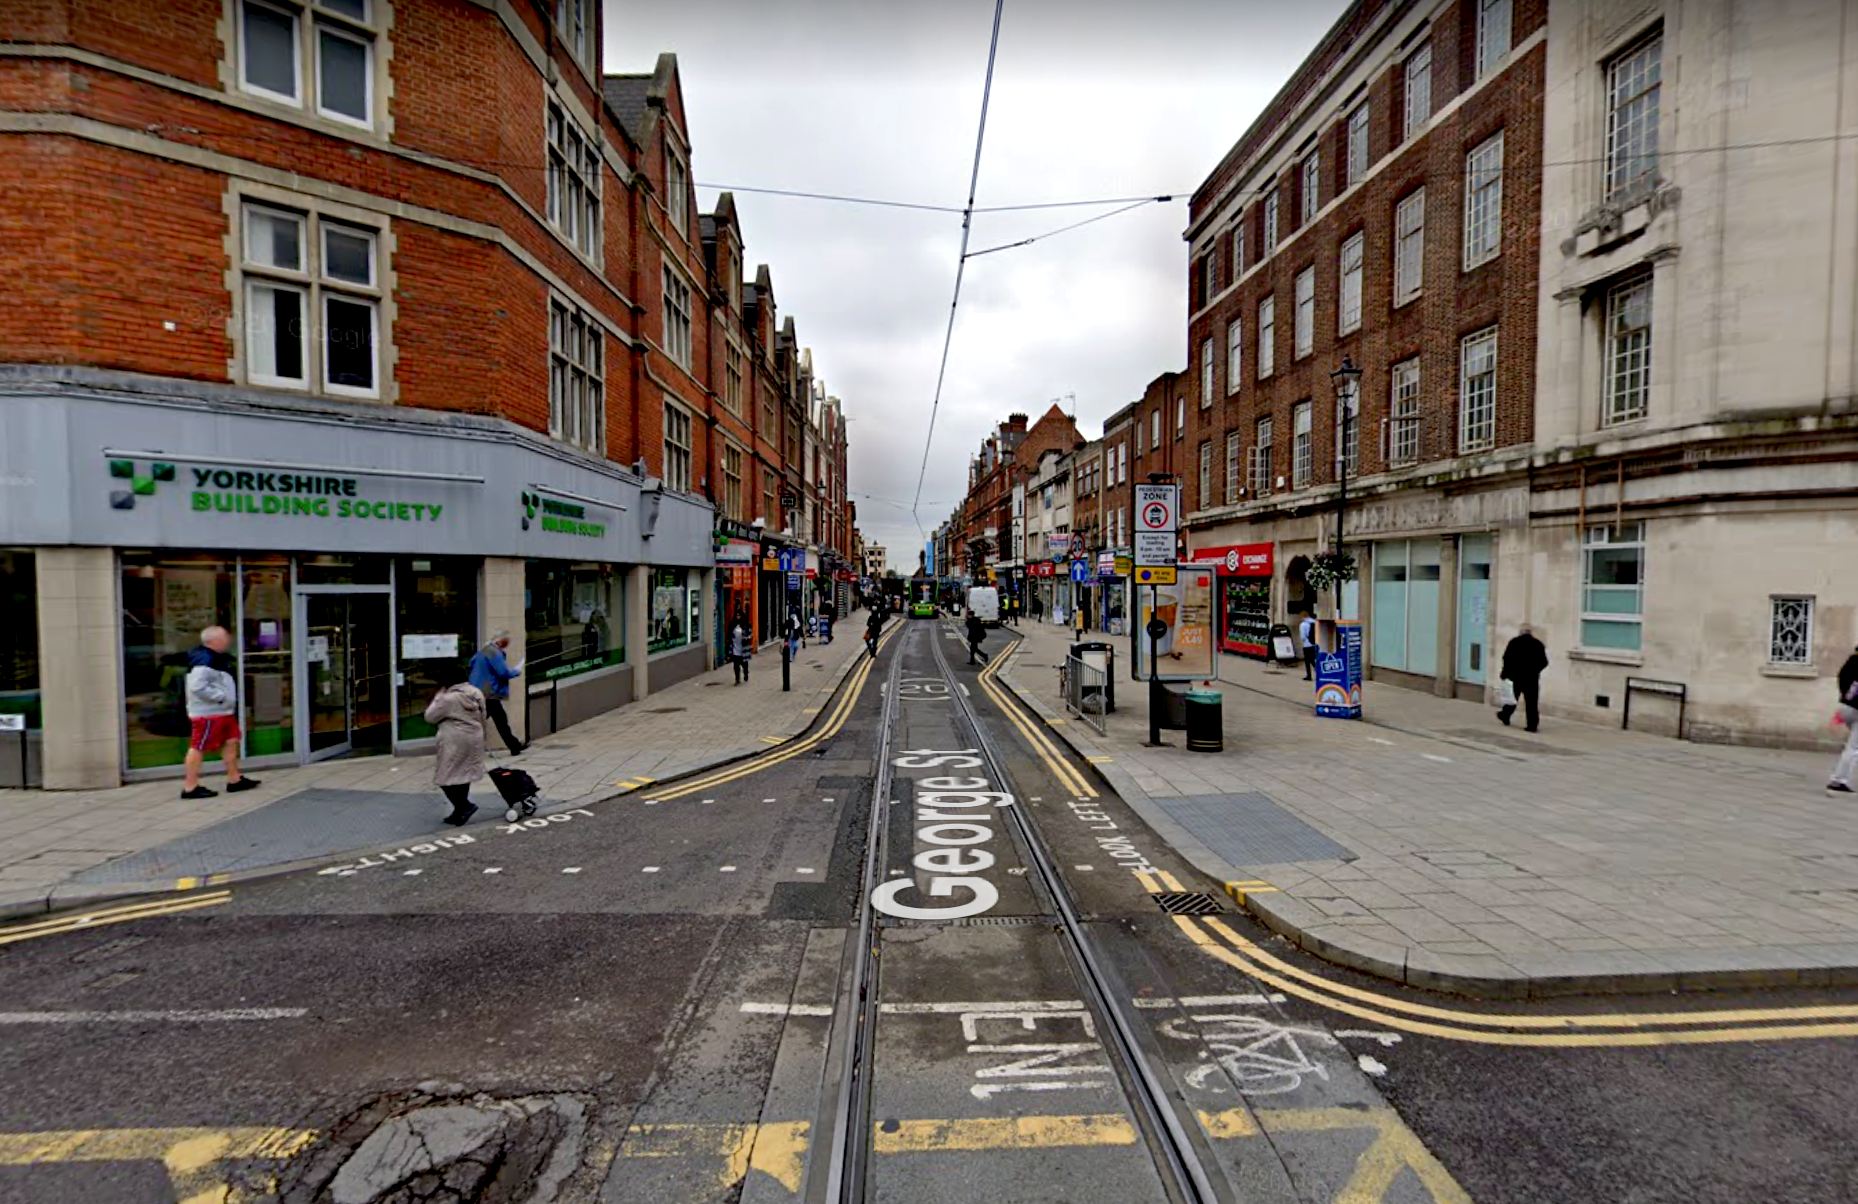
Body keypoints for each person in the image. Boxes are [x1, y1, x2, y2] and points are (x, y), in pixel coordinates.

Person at [179, 625, 261, 800]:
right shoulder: (204, 659)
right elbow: (197, 687)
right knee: (198, 746)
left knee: (232, 741)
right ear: (214, 640)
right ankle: (190, 787)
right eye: (225, 637)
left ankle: (235, 780)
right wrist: (221, 697)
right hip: (209, 713)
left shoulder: (214, 657)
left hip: (222, 711)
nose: (228, 640)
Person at [424, 664, 486, 827]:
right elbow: (483, 715)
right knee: (464, 773)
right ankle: (459, 811)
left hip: (454, 740)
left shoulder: (447, 698)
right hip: (474, 737)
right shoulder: (475, 692)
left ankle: (464, 806)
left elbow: (429, 717)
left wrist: (439, 694)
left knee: (445, 777)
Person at [468, 630, 525, 756]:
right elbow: (502, 672)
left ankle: (514, 745)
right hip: (488, 692)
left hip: (476, 690)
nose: (507, 643)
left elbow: (470, 664)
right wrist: (516, 671)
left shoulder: (483, 651)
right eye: (506, 641)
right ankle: (514, 746)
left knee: (483, 719)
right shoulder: (494, 652)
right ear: (500, 641)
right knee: (499, 720)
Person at [1498, 625, 1550, 732]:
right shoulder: (1538, 644)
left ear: (1521, 633)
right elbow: (1544, 662)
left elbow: (1506, 658)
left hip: (1515, 676)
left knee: (1512, 699)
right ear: (1530, 633)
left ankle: (1505, 715)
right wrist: (1535, 670)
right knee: (1532, 703)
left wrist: (1504, 673)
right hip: (1531, 679)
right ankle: (1532, 725)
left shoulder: (1514, 642)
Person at [1829, 646, 1858, 793]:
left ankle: (1838, 778)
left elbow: (1841, 677)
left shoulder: (1852, 660)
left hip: (1846, 707)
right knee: (1853, 747)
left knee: (1853, 745)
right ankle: (1839, 780)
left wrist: (1845, 696)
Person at [727, 608, 754, 685]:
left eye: (739, 615)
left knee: (744, 663)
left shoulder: (746, 624)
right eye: (736, 615)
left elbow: (750, 634)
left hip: (743, 647)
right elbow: (729, 634)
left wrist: (746, 638)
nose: (737, 617)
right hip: (735, 646)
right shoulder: (732, 624)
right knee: (736, 664)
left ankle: (745, 673)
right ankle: (737, 679)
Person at [1298, 613, 1318, 682]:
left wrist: (1303, 641)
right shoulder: (1314, 623)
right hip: (1313, 644)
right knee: (1312, 660)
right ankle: (1318, 673)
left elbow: (1303, 636)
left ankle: (1308, 675)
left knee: (1307, 661)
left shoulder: (1303, 624)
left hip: (1306, 644)